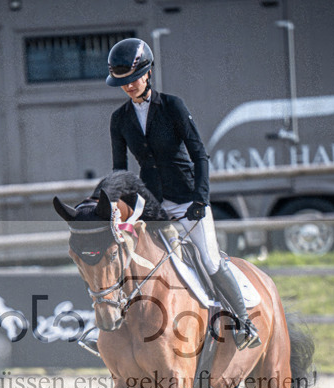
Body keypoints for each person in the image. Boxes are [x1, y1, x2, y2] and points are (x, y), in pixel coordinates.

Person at [105, 37, 260, 350]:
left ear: (147, 74)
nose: (129, 86)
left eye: (134, 79)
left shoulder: (173, 106)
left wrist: (201, 199)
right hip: (153, 205)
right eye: (123, 82)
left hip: (189, 198)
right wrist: (118, 211)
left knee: (210, 260)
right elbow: (120, 172)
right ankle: (118, 332)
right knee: (128, 260)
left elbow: (199, 154)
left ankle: (244, 322)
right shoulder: (119, 120)